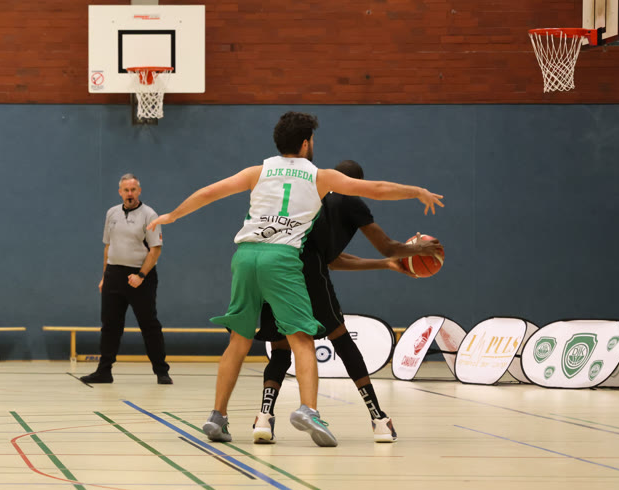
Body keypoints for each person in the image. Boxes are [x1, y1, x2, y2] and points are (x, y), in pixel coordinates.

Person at [148, 112, 443, 447]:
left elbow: (208, 192)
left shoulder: (257, 171)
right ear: (305, 144)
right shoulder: (320, 176)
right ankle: (309, 410)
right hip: (282, 259)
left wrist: (173, 215)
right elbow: (375, 189)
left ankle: (218, 416)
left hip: (245, 256)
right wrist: (417, 191)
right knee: (301, 338)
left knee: (239, 341)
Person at [252, 159, 444, 445]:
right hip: (308, 272)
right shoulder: (351, 201)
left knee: (280, 348)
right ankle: (378, 419)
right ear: (356, 183)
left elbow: (334, 260)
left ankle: (264, 418)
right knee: (342, 340)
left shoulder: (312, 198)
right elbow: (387, 246)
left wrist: (385, 264)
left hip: (275, 269)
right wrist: (416, 249)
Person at [80, 173, 171, 385]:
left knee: (149, 324)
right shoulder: (112, 213)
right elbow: (108, 246)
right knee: (110, 325)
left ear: (139, 191)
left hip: (140, 277)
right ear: (120, 192)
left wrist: (141, 276)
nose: (130, 194)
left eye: (133, 190)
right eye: (126, 190)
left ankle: (162, 371)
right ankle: (104, 371)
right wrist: (105, 276)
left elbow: (155, 250)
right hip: (114, 275)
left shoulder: (150, 215)